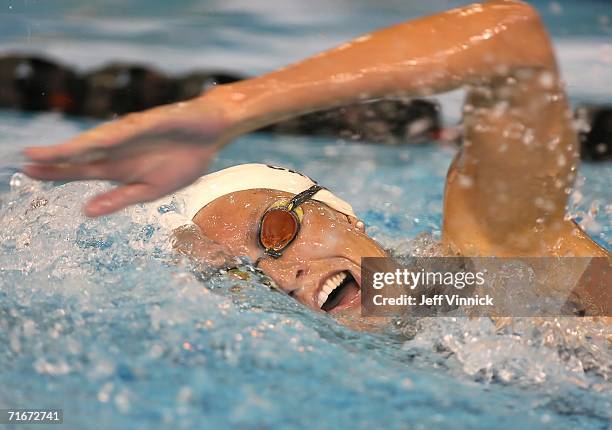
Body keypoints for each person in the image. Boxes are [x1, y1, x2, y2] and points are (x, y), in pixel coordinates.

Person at [22, 1, 610, 320]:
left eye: (276, 232)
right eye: (242, 273)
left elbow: (511, 39)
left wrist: (232, 108)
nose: (281, 277)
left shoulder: (489, 270)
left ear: (343, 214)